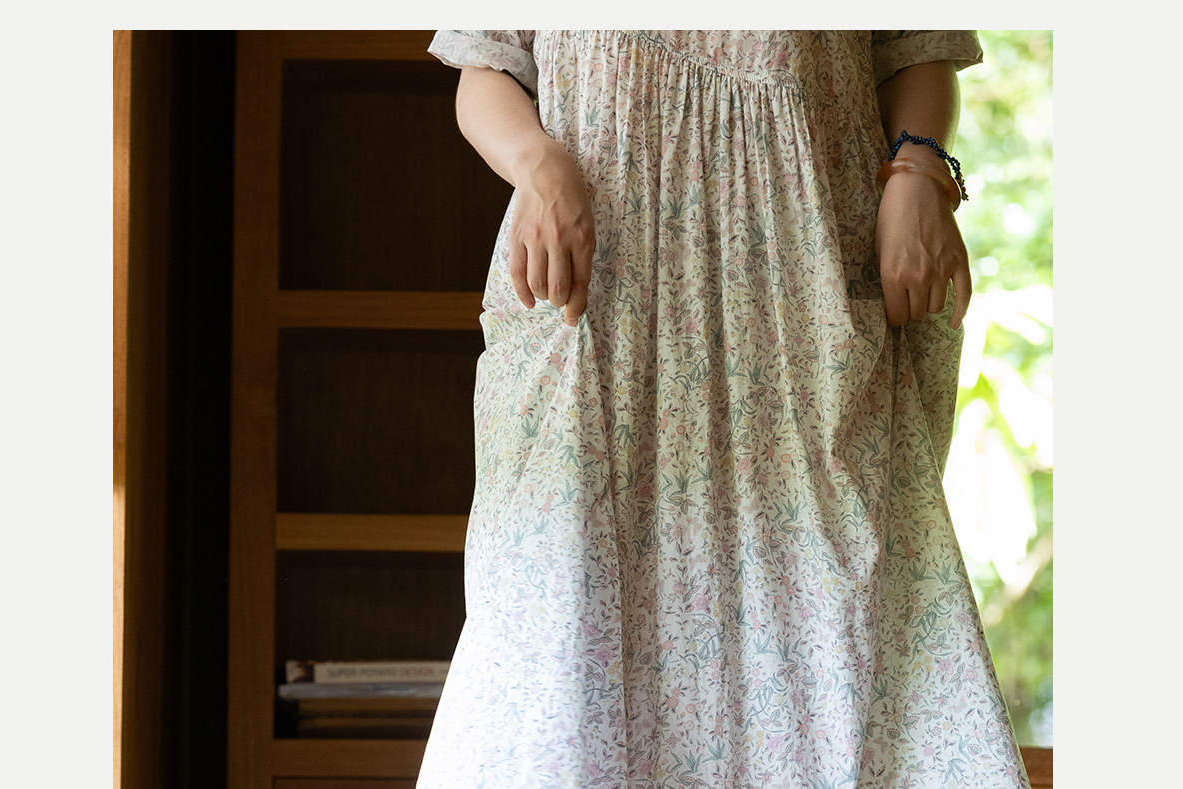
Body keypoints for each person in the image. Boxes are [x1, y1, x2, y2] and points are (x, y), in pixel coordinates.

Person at [418, 30, 1030, 789]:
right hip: (605, 321)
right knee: (564, 647)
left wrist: (918, 171)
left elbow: (918, 49)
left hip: (805, 324)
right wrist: (536, 162)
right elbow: (486, 68)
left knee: (833, 650)